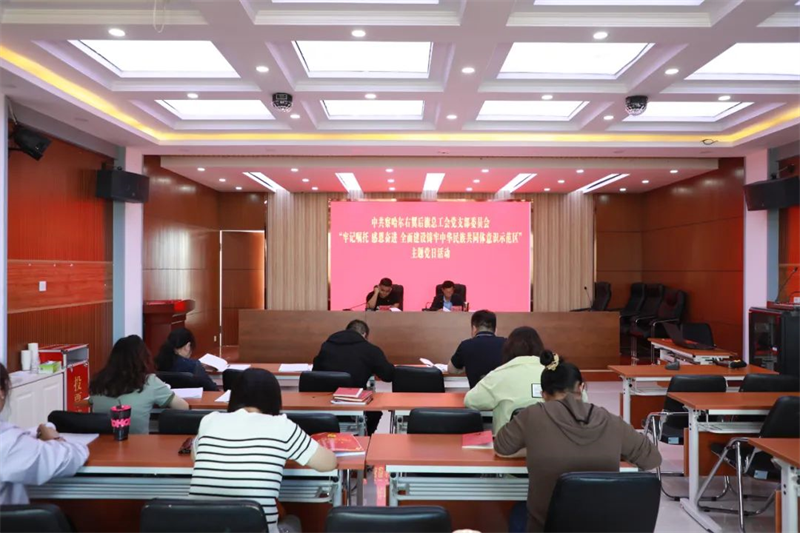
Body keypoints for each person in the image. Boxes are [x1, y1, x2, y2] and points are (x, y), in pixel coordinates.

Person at [495, 355, 662, 533]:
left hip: (546, 528)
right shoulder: (610, 420)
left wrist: (534, 447)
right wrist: (612, 449)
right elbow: (652, 458)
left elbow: (502, 446)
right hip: (602, 526)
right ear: (581, 388)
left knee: (517, 513)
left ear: (543, 395)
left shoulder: (533, 415)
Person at [190, 368, 337, 533]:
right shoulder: (282, 426)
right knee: (292, 521)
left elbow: (195, 458)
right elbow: (328, 464)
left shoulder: (210, 420)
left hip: (200, 528)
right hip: (257, 529)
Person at [0, 362, 90, 504]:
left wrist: (29, 435)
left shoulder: (9, 439)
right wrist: (56, 439)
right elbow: (73, 457)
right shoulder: (8, 442)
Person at [89, 335, 189, 434]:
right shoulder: (149, 381)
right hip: (139, 442)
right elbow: (183, 407)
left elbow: (91, 401)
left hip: (101, 443)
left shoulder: (98, 382)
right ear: (144, 357)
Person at [313, 319, 394, 435]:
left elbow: (315, 372)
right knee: (375, 412)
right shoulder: (370, 350)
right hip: (354, 405)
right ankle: (364, 439)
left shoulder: (327, 346)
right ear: (364, 335)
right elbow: (388, 375)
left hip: (323, 405)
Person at [447, 310, 505, 389]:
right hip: (502, 395)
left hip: (476, 395)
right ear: (495, 330)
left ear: (474, 329)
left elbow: (451, 369)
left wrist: (468, 366)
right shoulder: (507, 344)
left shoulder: (465, 345)